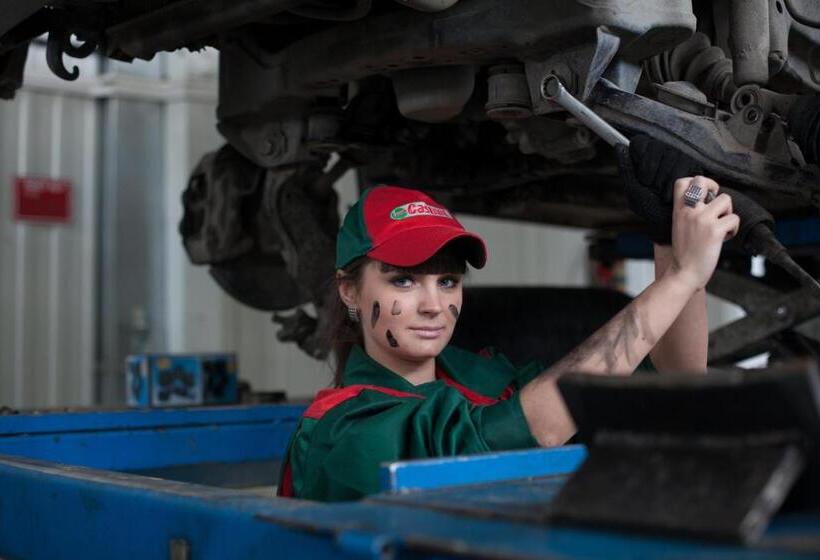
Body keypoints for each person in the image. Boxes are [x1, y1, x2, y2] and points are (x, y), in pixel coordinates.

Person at [277, 142, 740, 502]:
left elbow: (673, 381)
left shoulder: (479, 374)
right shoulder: (342, 430)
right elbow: (522, 432)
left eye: (447, 281)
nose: (434, 305)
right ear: (350, 290)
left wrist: (668, 239)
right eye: (403, 281)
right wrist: (682, 276)